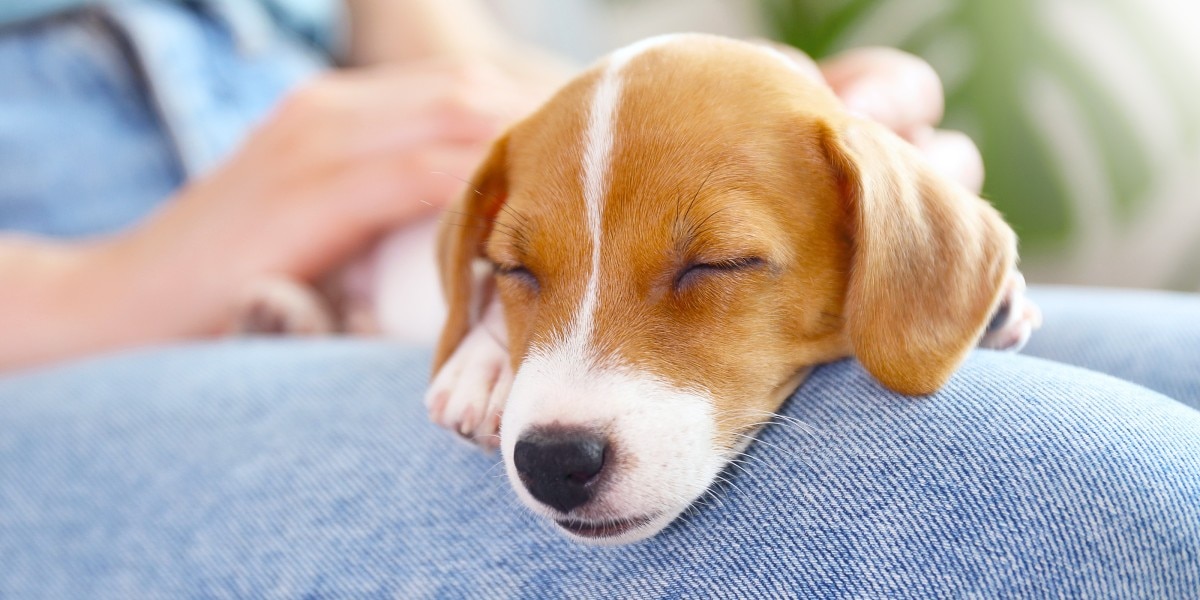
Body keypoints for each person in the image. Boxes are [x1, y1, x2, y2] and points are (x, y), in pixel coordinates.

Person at [1, 1, 1197, 597]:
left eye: (711, 268)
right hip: (67, 343)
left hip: (378, 193)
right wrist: (127, 279)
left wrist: (705, 121)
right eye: (515, 277)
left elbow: (429, 44)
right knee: (1099, 497)